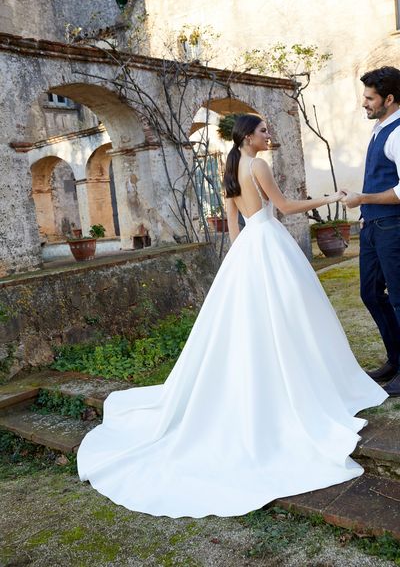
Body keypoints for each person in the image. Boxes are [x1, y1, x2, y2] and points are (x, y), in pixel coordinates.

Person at [77, 114, 387, 519]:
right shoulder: (257, 165)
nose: (268, 134)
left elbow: (234, 228)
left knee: (259, 322)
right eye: (263, 131)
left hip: (250, 248)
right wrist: (331, 199)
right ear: (247, 136)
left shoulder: (231, 167)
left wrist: (239, 264)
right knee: (291, 317)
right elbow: (286, 207)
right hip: (270, 243)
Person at [342, 66, 400, 397]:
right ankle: (395, 359)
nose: (364, 103)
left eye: (369, 97)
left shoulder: (398, 133)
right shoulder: (380, 128)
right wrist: (366, 211)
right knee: (370, 293)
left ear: (389, 99)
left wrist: (364, 198)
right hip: (373, 226)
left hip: (393, 227)